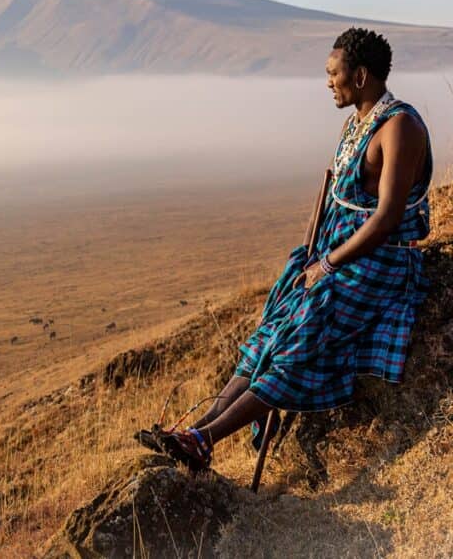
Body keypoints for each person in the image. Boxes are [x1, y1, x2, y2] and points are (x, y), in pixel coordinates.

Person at [148, 27, 433, 471]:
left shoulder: (401, 127)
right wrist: (313, 255)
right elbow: (341, 195)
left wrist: (328, 263)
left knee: (299, 339)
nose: (327, 83)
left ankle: (204, 439)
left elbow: (387, 217)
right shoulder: (356, 122)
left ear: (359, 76)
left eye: (332, 73)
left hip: (380, 262)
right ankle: (195, 430)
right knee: (274, 329)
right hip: (334, 254)